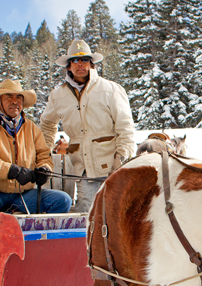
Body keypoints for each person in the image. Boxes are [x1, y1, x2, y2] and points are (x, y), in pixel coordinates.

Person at [0, 79, 73, 281]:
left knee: (63, 200)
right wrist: (13, 171)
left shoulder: (31, 128)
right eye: (9, 97)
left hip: (21, 194)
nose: (15, 101)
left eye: (19, 97)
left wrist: (44, 168)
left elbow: (43, 154)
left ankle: (41, 258)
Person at [40, 39, 135, 213]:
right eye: (75, 61)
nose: (80, 64)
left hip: (113, 166)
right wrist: (44, 154)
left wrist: (121, 160)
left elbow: (126, 128)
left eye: (84, 60)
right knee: (87, 215)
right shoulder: (57, 95)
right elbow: (46, 124)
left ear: (91, 64)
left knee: (117, 215)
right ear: (69, 66)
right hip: (82, 169)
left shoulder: (110, 90)